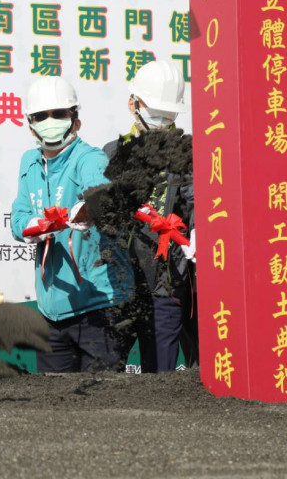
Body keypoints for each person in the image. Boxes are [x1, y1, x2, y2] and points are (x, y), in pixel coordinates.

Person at [11, 76, 134, 373]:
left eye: (59, 114)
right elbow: (18, 217)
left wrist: (86, 210)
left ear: (75, 120)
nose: (49, 121)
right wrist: (37, 226)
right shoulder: (29, 161)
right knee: (55, 412)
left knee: (103, 408)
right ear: (30, 124)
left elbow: (100, 191)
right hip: (51, 312)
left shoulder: (89, 158)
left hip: (99, 308)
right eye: (41, 116)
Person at [102, 60, 197, 373]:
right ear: (133, 104)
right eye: (155, 113)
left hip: (164, 289)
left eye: (168, 116)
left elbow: (196, 202)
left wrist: (198, 232)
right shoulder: (112, 153)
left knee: (161, 384)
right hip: (120, 289)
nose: (161, 122)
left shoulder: (188, 154)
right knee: (105, 376)